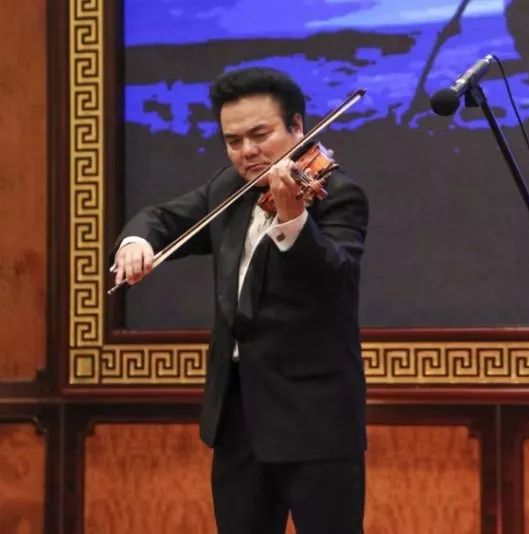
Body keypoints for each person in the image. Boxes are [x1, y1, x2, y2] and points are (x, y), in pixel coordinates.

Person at [111, 67, 369, 534]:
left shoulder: (338, 195)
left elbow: (334, 278)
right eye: (233, 140)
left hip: (316, 421)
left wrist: (293, 219)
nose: (246, 151)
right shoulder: (228, 188)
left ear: (297, 126)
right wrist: (136, 242)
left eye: (259, 135)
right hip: (237, 416)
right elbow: (162, 218)